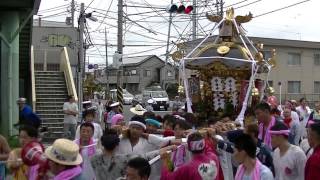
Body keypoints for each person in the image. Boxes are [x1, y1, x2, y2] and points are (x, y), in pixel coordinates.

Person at [91, 129, 176, 180]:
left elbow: (98, 149)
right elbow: (145, 156)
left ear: (102, 144)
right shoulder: (122, 159)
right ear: (117, 145)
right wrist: (166, 149)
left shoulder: (94, 159)